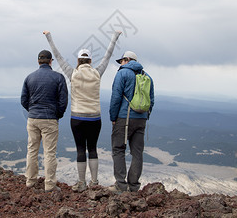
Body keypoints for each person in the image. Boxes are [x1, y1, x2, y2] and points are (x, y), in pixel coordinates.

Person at [43, 30, 121, 192]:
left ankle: (81, 182)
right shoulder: (97, 73)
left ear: (78, 60)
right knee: (92, 148)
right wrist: (115, 36)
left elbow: (58, 57)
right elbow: (107, 56)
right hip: (95, 118)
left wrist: (48, 37)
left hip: (77, 118)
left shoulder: (73, 74)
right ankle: (94, 182)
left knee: (80, 149)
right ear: (90, 60)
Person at [21, 49, 68, 192]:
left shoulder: (29, 77)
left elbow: (24, 100)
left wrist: (33, 110)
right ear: (50, 61)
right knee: (49, 153)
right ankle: (50, 185)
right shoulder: (58, 77)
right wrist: (57, 114)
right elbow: (63, 101)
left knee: (32, 150)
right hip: (49, 119)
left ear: (38, 61)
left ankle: (30, 181)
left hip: (33, 118)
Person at [109, 51, 154, 192]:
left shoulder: (122, 74)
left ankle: (121, 185)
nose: (121, 64)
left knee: (118, 149)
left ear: (127, 60)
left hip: (124, 117)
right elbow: (151, 100)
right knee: (137, 152)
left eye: (121, 61)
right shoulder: (147, 77)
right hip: (141, 119)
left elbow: (116, 97)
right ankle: (134, 186)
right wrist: (145, 116)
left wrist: (113, 117)